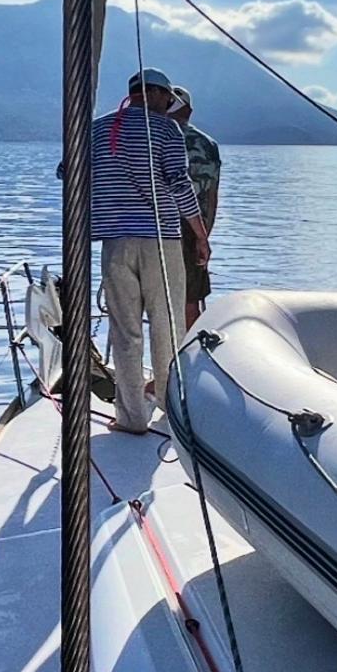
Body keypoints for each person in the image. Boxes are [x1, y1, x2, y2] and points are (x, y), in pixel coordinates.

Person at [91, 67, 208, 433]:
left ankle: (131, 418)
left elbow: (68, 172)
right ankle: (170, 409)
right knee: (167, 326)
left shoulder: (96, 130)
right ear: (156, 94)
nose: (168, 106)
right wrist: (201, 235)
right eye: (167, 99)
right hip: (161, 241)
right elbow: (179, 184)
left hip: (115, 243)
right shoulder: (166, 130)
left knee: (125, 332)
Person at [169, 86, 221, 330]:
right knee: (192, 300)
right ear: (189, 111)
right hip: (195, 226)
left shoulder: (157, 137)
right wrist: (204, 235)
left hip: (161, 225)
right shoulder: (208, 144)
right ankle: (192, 346)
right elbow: (212, 195)